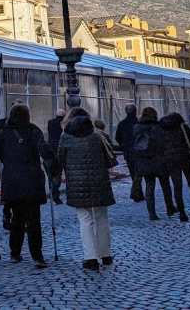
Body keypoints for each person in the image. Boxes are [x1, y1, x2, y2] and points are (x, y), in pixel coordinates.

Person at [0, 104, 55, 268]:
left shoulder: (4, 133)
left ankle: (15, 253)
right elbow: (45, 151)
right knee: (33, 220)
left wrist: (0, 162)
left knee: (16, 218)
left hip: (12, 179)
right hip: (31, 179)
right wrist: (50, 166)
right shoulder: (33, 131)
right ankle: (37, 257)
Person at [59, 111, 117, 271]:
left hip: (77, 184)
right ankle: (106, 254)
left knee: (85, 220)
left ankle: (90, 257)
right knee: (102, 217)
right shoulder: (98, 135)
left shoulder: (65, 138)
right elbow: (110, 156)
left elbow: (60, 160)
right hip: (100, 182)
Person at [159, 111, 190, 221]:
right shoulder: (183, 127)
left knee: (177, 186)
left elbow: (160, 145)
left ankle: (182, 213)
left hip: (171, 160)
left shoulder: (162, 129)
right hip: (186, 158)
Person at [130, 107, 176, 221]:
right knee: (165, 186)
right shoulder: (159, 127)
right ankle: (170, 207)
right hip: (160, 160)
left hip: (144, 161)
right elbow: (163, 144)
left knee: (149, 187)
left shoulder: (137, 128)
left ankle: (152, 213)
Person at [114, 104, 143, 202]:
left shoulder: (122, 123)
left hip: (128, 151)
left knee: (133, 173)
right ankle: (136, 192)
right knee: (138, 172)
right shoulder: (139, 123)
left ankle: (137, 192)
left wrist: (124, 145)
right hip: (139, 150)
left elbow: (117, 137)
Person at [45, 109, 66, 204]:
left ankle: (52, 191)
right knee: (58, 173)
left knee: (52, 172)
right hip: (60, 149)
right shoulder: (63, 123)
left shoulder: (50, 122)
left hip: (51, 148)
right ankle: (55, 194)